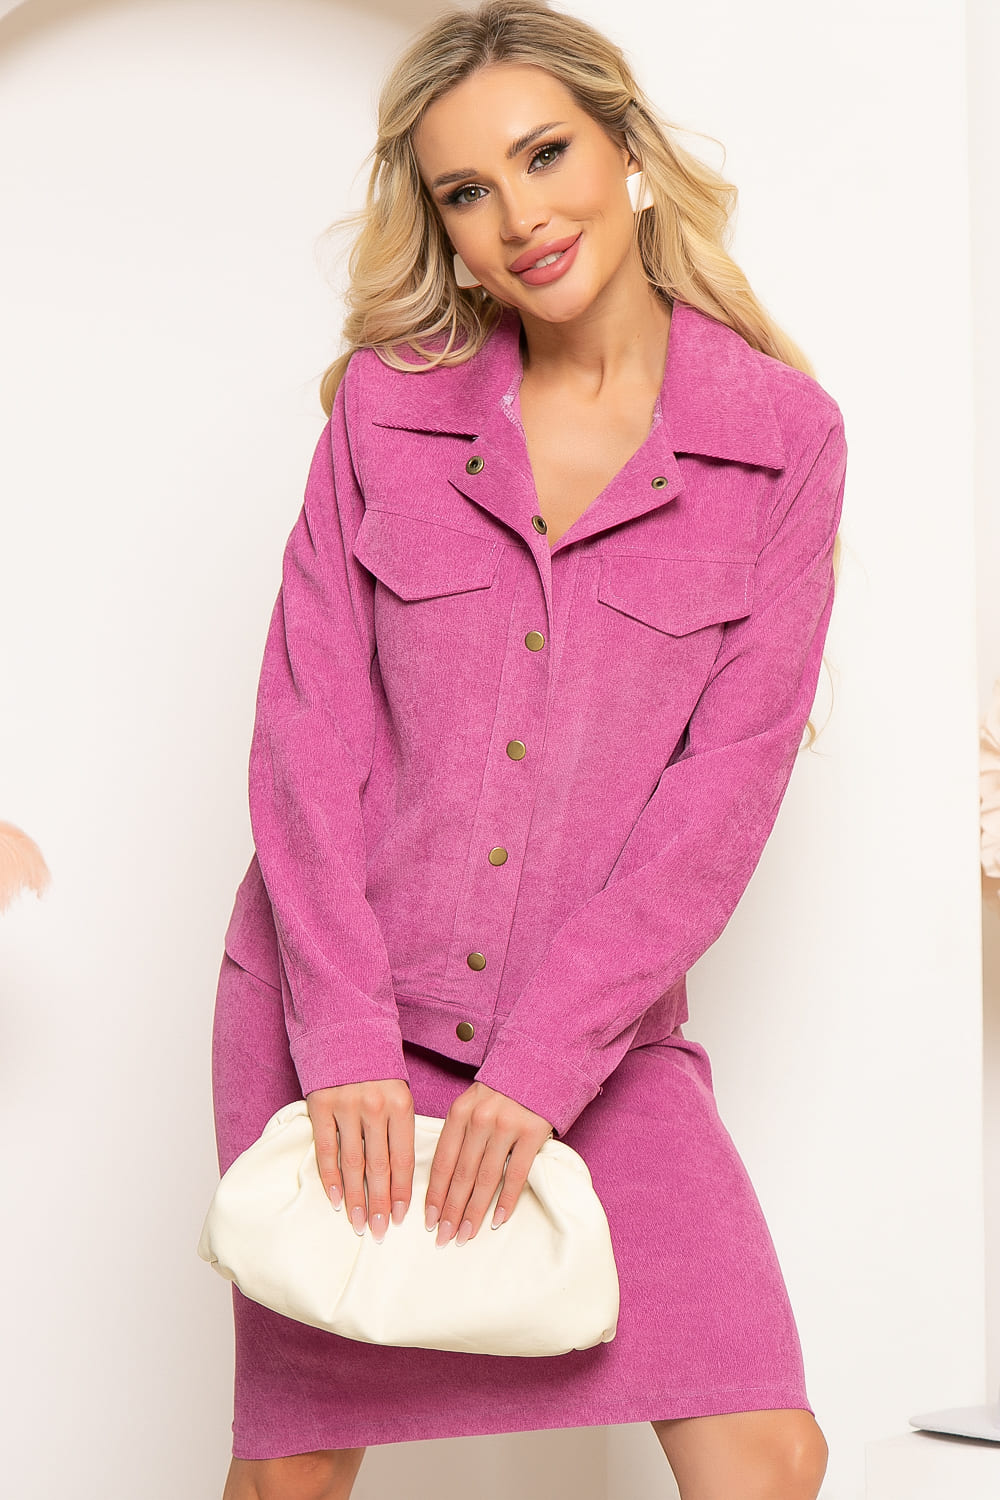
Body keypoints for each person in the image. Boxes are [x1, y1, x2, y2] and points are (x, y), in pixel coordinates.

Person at [210, 3, 848, 1497]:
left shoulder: (780, 439)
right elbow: (304, 734)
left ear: (627, 151)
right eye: (466, 190)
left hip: (598, 1041)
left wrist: (547, 1064)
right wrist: (345, 1047)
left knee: (766, 1454)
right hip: (344, 1018)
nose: (520, 218)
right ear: (439, 223)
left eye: (545, 154)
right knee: (298, 1474)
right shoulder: (388, 414)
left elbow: (722, 799)